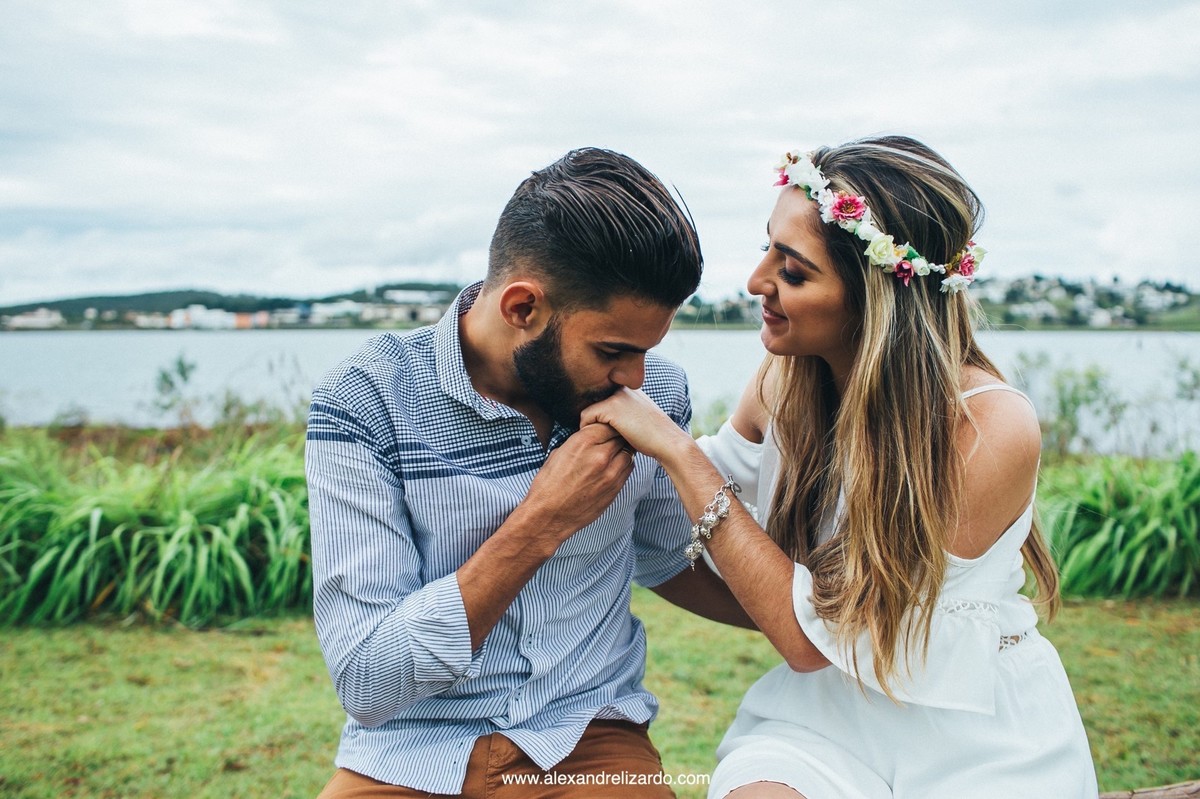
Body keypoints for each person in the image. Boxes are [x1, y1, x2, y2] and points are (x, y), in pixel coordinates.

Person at [582, 136, 1099, 798]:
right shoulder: (782, 384)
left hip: (980, 733)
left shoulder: (988, 427)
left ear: (873, 298)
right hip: (829, 718)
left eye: (794, 272)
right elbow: (669, 512)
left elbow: (812, 636)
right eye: (767, 248)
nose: (756, 281)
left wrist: (678, 450)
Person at [305, 147, 749, 799]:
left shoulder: (654, 393)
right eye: (613, 350)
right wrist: (543, 521)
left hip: (589, 741)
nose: (634, 378)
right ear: (521, 308)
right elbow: (368, 680)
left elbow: (665, 558)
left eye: (646, 351)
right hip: (407, 753)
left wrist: (823, 627)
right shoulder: (364, 401)